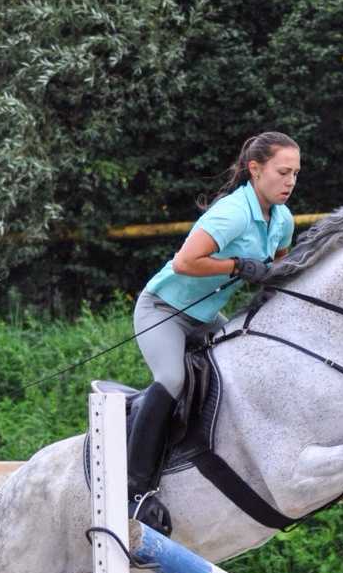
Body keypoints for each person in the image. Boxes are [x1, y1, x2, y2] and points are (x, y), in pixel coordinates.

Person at [127, 131, 300, 530]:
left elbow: (278, 272)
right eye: (282, 172)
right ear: (255, 170)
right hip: (164, 310)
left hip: (205, 319)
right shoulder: (233, 214)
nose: (290, 181)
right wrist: (236, 266)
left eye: (295, 173)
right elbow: (186, 262)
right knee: (171, 378)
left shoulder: (283, 220)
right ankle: (134, 491)